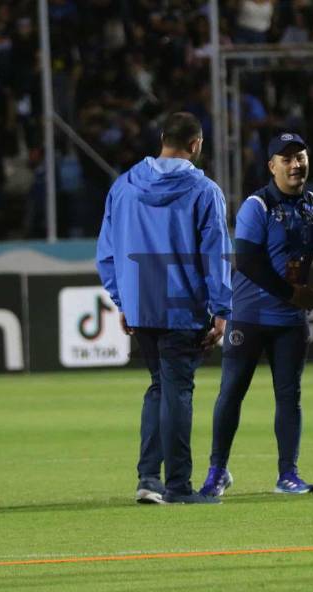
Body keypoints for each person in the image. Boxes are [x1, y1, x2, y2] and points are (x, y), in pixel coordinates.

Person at [96, 112, 232, 505]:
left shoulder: (124, 187)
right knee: (177, 390)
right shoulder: (205, 191)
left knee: (159, 387)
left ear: (162, 139)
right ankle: (177, 485)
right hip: (182, 305)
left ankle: (148, 478)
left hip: (142, 302)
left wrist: (123, 298)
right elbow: (216, 254)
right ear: (196, 145)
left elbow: (107, 252)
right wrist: (221, 308)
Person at [199, 133, 313, 497]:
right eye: (285, 159)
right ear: (272, 166)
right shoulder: (257, 205)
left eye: (300, 157)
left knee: (289, 396)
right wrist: (295, 294)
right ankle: (216, 472)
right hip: (250, 317)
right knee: (231, 393)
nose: (295, 164)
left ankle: (288, 475)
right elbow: (250, 262)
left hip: (289, 322)